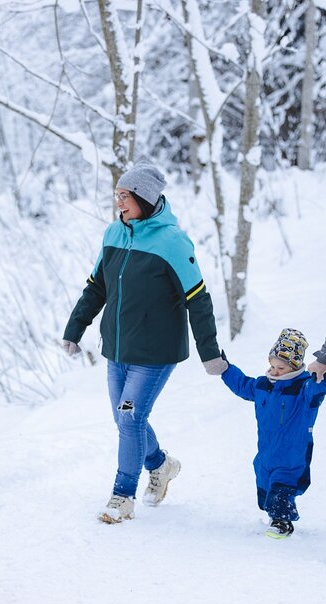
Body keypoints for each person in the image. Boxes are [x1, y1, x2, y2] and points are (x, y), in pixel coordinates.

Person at [62, 161, 224, 523]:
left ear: (144, 198)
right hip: (117, 349)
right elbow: (97, 286)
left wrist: (210, 353)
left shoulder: (172, 241)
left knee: (130, 419)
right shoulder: (113, 234)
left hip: (155, 352)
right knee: (125, 420)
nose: (119, 202)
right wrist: (75, 328)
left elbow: (197, 297)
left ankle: (122, 496)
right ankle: (161, 465)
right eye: (116, 195)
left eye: (125, 196)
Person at [220, 329, 326, 538]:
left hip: (292, 455)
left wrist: (320, 373)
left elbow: (319, 388)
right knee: (266, 488)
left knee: (282, 489)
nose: (275, 371)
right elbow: (242, 384)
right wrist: (225, 369)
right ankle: (274, 516)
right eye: (272, 365)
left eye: (281, 367)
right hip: (266, 455)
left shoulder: (305, 388)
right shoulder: (263, 385)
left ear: (294, 366)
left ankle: (283, 523)